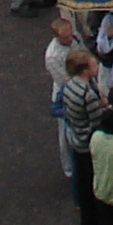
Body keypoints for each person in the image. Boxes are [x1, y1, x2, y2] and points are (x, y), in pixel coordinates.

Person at [58, 48, 109, 225]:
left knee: (82, 181)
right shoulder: (87, 94)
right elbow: (97, 122)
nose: (97, 67)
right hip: (88, 142)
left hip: (76, 138)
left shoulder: (69, 85)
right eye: (94, 65)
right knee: (92, 182)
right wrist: (104, 106)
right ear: (85, 70)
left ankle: (87, 219)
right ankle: (95, 219)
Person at [42, 17, 81, 181]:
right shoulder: (52, 57)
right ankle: (69, 168)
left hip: (80, 83)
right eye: (65, 37)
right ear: (56, 37)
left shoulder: (75, 38)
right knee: (66, 133)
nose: (69, 39)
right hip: (66, 95)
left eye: (70, 35)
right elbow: (63, 81)